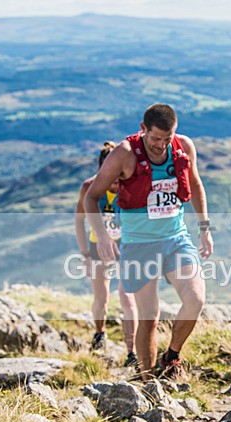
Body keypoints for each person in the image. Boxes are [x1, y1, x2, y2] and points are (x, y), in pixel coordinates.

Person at [85, 104, 213, 382]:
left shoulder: (183, 147)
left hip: (176, 239)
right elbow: (91, 197)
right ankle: (147, 381)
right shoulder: (124, 154)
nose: (161, 145)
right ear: (143, 129)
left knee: (196, 300)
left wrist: (204, 227)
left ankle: (172, 355)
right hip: (139, 244)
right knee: (148, 318)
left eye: (167, 139)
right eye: (156, 139)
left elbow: (196, 184)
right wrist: (103, 236)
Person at [75, 142, 138, 365]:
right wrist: (85, 254)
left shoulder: (128, 187)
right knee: (101, 297)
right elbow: (79, 221)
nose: (114, 180)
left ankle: (132, 351)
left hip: (125, 246)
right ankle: (100, 333)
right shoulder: (89, 188)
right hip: (97, 247)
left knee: (127, 297)